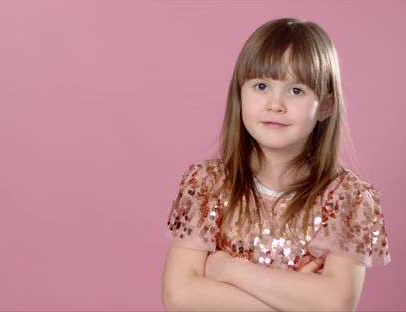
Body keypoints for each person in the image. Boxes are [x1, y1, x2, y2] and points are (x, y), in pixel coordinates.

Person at [161, 17, 391, 312]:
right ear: (239, 94)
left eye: (296, 91)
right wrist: (293, 301)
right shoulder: (207, 183)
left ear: (325, 106)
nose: (275, 104)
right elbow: (179, 296)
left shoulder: (347, 198)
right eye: (261, 86)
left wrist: (228, 269)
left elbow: (334, 303)